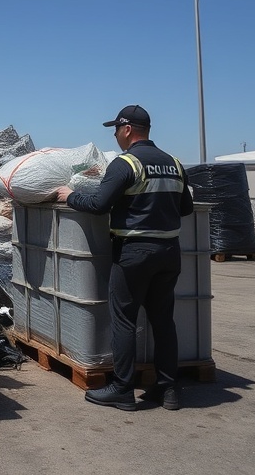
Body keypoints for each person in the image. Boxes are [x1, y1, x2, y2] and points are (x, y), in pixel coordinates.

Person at [54, 104, 193, 412]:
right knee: (162, 320)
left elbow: (100, 204)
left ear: (128, 129)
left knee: (124, 319)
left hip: (134, 253)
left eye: (116, 129)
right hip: (169, 253)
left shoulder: (125, 163)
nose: (115, 135)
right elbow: (185, 208)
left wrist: (70, 196)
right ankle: (168, 389)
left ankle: (122, 388)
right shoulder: (174, 163)